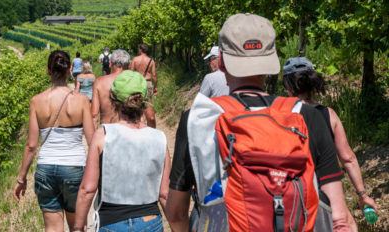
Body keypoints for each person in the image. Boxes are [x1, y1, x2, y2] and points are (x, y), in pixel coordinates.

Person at [165, 13, 353, 232]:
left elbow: (176, 213)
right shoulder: (308, 117)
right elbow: (339, 218)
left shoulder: (198, 118)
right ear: (272, 58)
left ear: (222, 62)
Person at [74, 70, 171, 232]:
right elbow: (164, 194)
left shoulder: (103, 135)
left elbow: (87, 190)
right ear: (145, 102)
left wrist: (77, 228)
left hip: (111, 221)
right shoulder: (159, 138)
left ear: (114, 100)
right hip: (150, 221)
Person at [283, 57, 378, 213]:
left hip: (289, 193)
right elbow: (348, 158)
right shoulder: (329, 114)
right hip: (325, 195)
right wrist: (363, 195)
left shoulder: (278, 114)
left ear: (288, 85)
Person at [13, 50, 95, 232]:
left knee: (52, 228)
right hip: (74, 168)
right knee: (78, 227)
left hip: (46, 169)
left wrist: (21, 179)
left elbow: (31, 145)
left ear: (48, 71)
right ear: (70, 71)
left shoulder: (36, 101)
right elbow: (92, 141)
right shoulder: (81, 101)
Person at [91, 49, 131, 129]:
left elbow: (94, 115)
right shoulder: (133, 82)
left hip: (107, 130)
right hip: (128, 131)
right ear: (129, 64)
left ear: (110, 63)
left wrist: (94, 138)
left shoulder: (100, 82)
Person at [131, 43, 157, 128]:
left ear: (140, 50)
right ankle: (148, 126)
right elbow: (154, 75)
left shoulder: (135, 59)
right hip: (148, 82)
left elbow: (131, 73)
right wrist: (155, 86)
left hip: (138, 83)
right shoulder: (151, 61)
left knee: (138, 103)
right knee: (148, 104)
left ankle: (140, 123)